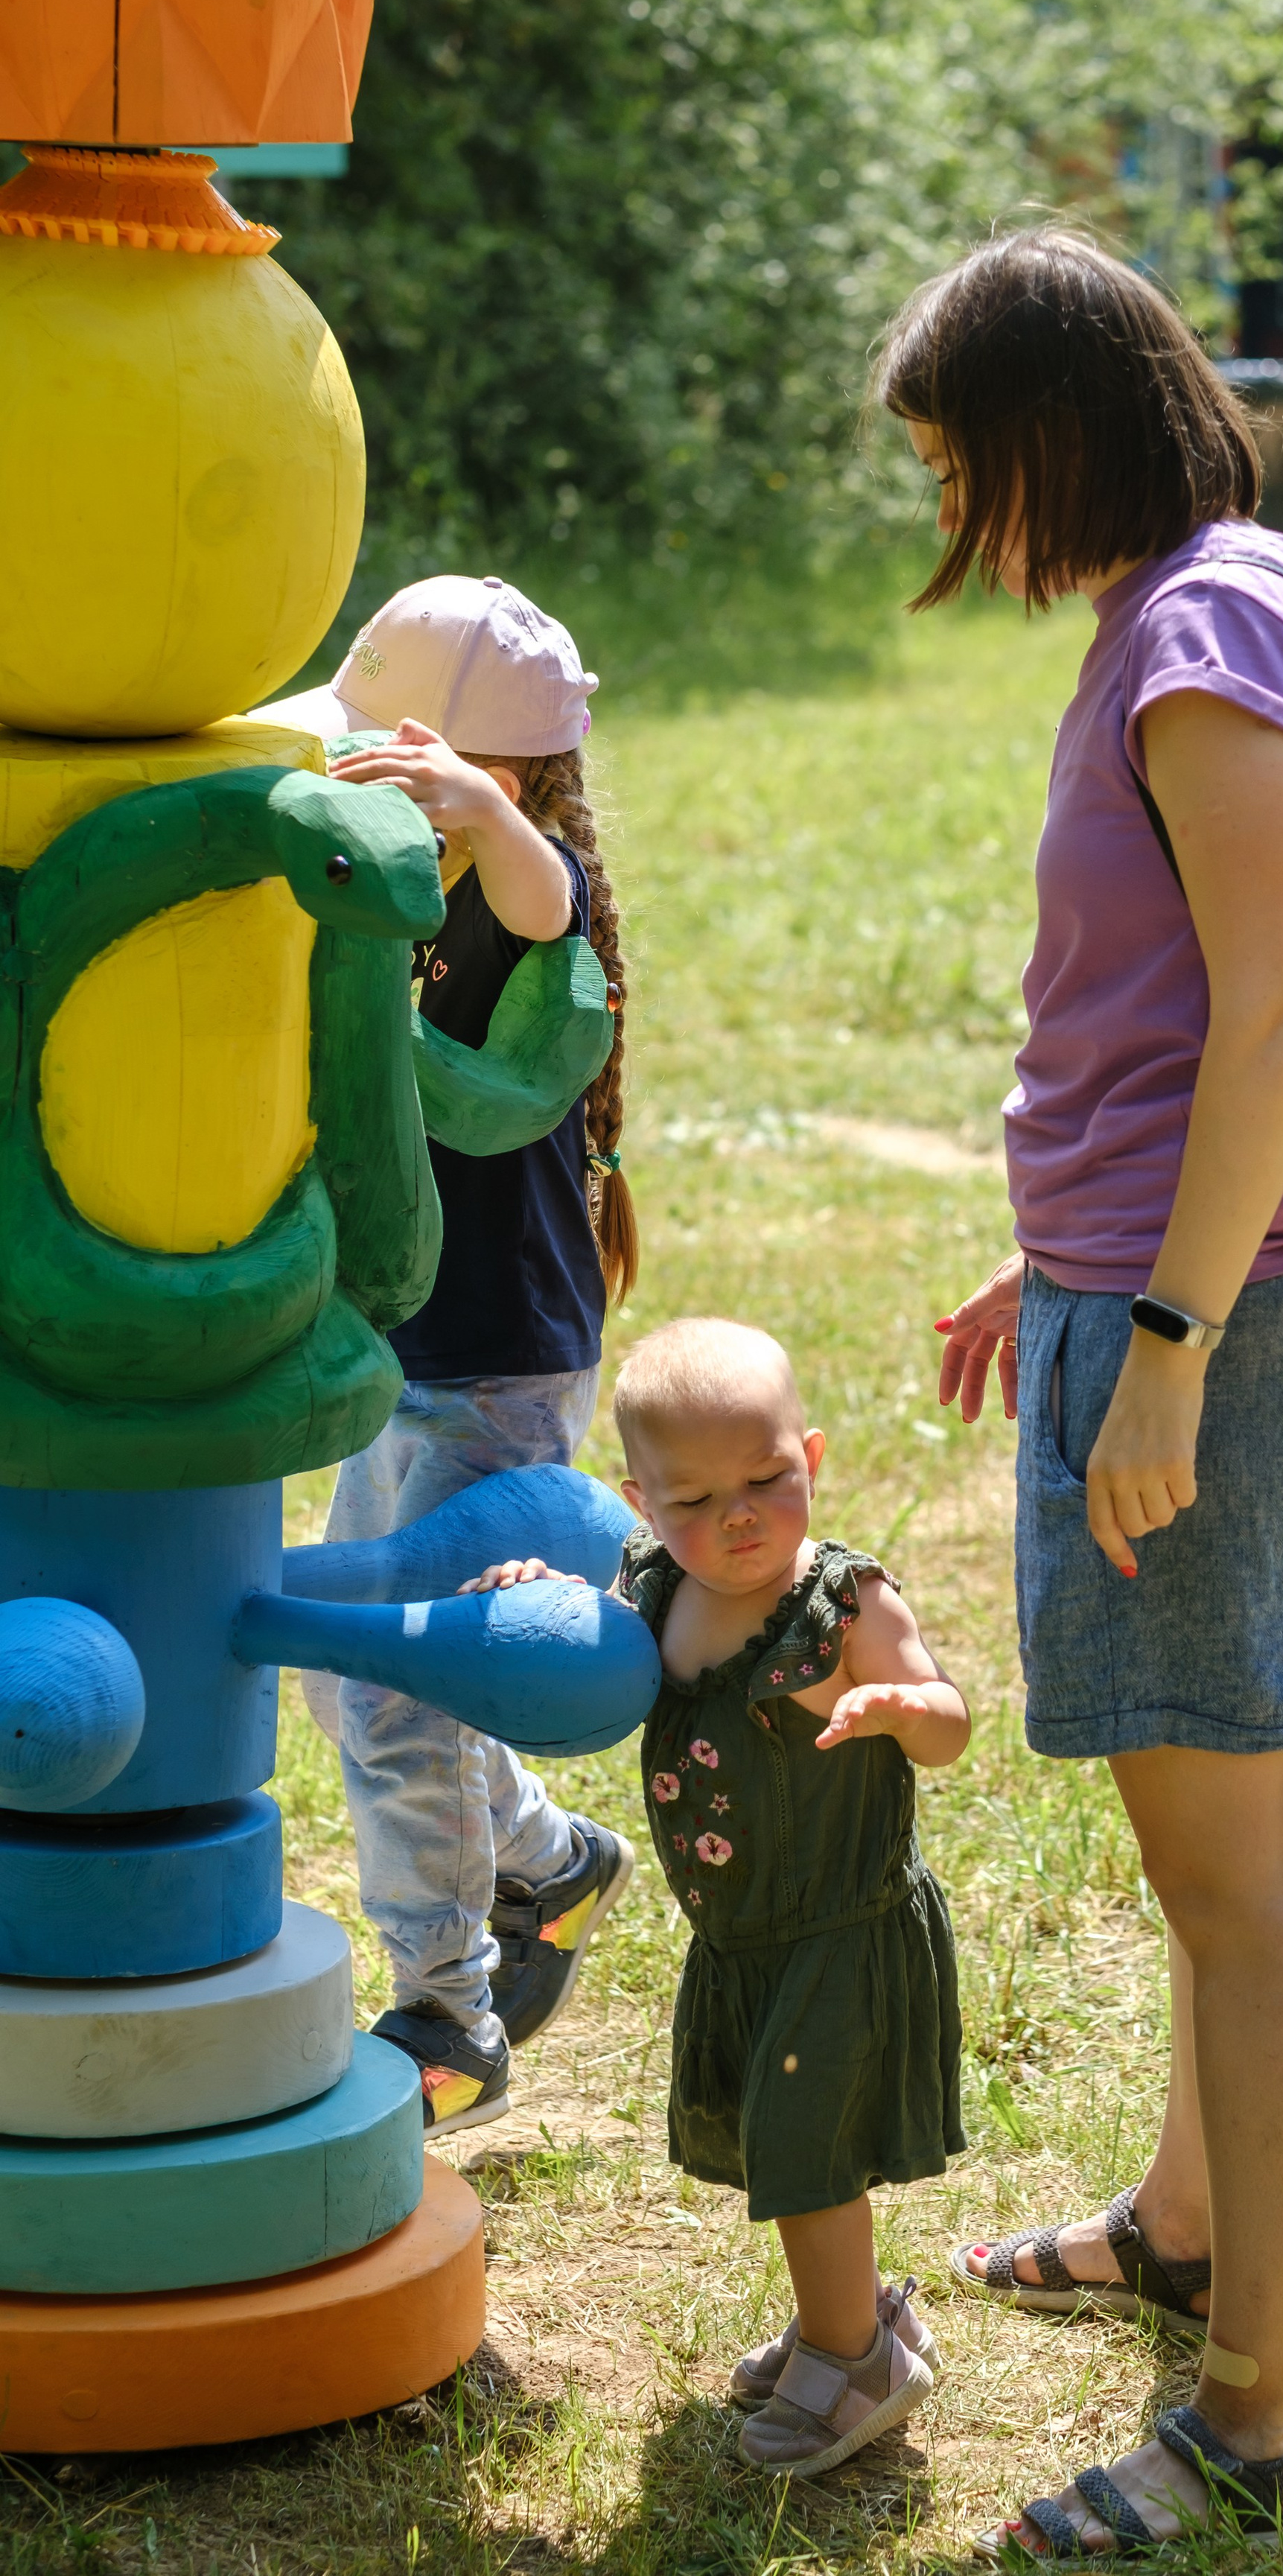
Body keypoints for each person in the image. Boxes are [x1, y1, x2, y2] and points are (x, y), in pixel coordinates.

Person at [879, 228, 1283, 2560]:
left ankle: (1253, 2423)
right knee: (1233, 1845)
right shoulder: (1229, 587)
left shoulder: (1196, 643)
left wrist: (1167, 1336)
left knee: (1239, 1886)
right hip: (1177, 1274)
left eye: (954, 467)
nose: (955, 521)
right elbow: (1185, 1010)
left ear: (1048, 435)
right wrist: (1070, 1244)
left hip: (1231, 1309)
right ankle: (1188, 2228)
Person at [475, 1318, 970, 2477]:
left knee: (807, 2150)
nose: (736, 1517)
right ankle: (846, 2318)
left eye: (766, 1479)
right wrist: (539, 1593)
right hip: (743, 1937)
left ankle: (858, 2361)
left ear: (813, 1456)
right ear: (639, 1504)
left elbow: (950, 1720)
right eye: (693, 1500)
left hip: (840, 1933)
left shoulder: (842, 1608)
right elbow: (581, 1641)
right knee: (780, 2139)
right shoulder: (655, 1591)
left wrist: (898, 1711)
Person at [293, 576, 642, 2135]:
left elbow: (550, 890)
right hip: (407, 1345)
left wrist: (483, 816)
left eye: (400, 769)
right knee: (344, 1669)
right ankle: (549, 1861)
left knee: (396, 1706)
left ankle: (445, 2012)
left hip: (492, 1359)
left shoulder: (514, 894)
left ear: (477, 779)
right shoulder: (420, 883)